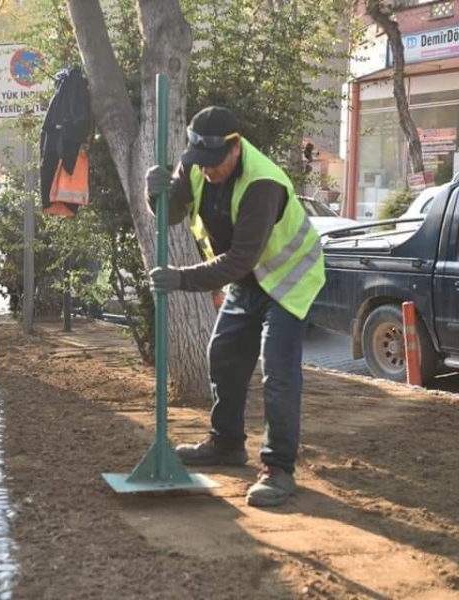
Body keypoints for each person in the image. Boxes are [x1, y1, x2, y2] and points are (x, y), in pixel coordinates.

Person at [144, 106, 325, 508]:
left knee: (277, 372)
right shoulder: (196, 163)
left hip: (289, 280)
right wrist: (154, 192)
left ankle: (278, 468)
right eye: (200, 161)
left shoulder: (263, 184)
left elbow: (241, 258)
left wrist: (181, 278)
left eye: (215, 162)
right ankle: (226, 443)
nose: (208, 170)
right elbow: (170, 214)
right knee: (223, 355)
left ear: (236, 146)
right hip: (249, 280)